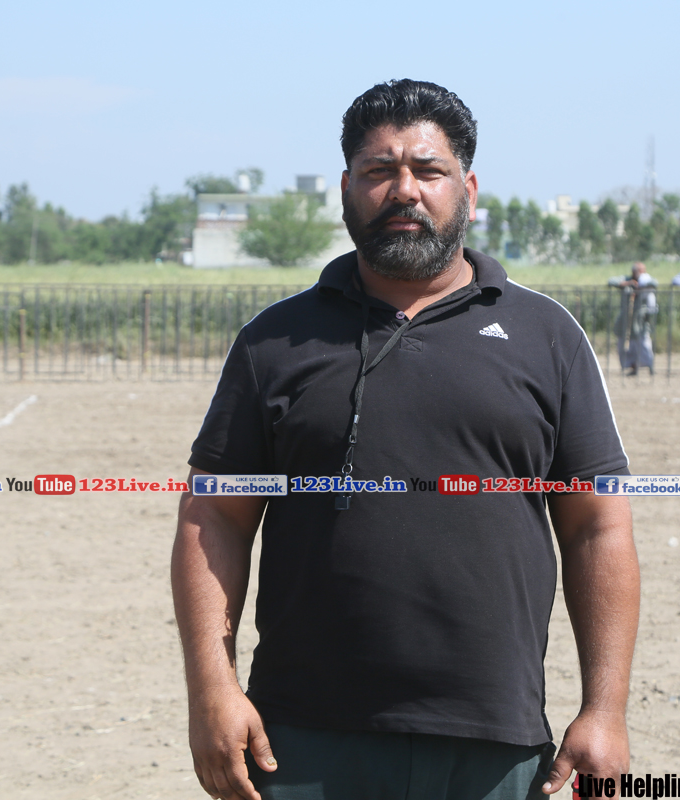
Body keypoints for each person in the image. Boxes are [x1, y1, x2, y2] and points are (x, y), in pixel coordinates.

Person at [172, 79, 639, 800]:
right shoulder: (274, 343)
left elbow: (597, 528)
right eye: (378, 170)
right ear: (346, 189)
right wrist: (212, 690)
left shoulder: (547, 337)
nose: (404, 190)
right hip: (299, 742)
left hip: (494, 743)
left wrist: (605, 710)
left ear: (467, 189)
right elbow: (214, 518)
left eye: (428, 170)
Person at [608, 263, 657, 376]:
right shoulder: (626, 279)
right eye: (640, 270)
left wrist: (641, 285)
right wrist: (628, 284)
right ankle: (631, 366)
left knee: (644, 342)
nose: (642, 272)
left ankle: (649, 365)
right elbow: (611, 281)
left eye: (643, 270)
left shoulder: (646, 280)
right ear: (634, 271)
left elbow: (654, 283)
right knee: (624, 343)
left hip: (640, 318)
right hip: (626, 317)